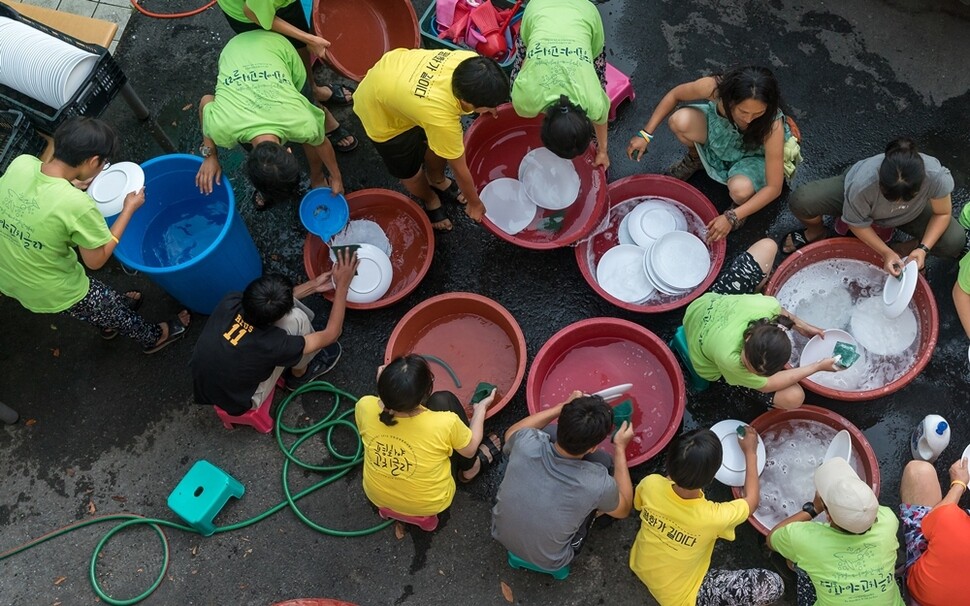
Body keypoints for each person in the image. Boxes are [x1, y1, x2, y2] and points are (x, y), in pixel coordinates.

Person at [0, 117, 190, 353]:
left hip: (8, 270)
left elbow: (40, 191)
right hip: (46, 285)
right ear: (93, 161)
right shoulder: (77, 205)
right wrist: (129, 208)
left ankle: (107, 323)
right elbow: (96, 260)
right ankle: (152, 337)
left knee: (88, 308)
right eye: (103, 162)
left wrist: (69, 184)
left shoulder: (21, 164)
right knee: (103, 302)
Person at [626, 66, 801, 242]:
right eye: (743, 112)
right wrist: (645, 134)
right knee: (679, 121)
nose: (749, 120)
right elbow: (675, 95)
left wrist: (732, 216)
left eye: (758, 113)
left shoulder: (772, 125)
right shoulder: (714, 88)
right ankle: (695, 160)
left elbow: (774, 188)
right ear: (729, 99)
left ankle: (741, 206)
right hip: (722, 136)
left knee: (740, 190)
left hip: (752, 156)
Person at [353, 49, 510, 231]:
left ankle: (437, 180)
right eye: (490, 106)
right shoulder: (441, 119)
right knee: (409, 171)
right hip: (378, 107)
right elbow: (459, 168)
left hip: (397, 73)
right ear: (466, 102)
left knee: (439, 144)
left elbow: (444, 144)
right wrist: (474, 203)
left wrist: (487, 105)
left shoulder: (472, 63)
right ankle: (430, 198)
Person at [630, 427, 785, 606]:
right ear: (713, 478)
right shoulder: (713, 517)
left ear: (669, 462)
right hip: (679, 598)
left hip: (640, 565)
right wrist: (751, 453)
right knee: (771, 585)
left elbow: (645, 500)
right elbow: (752, 502)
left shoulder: (650, 484)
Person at [190, 249, 356, 414]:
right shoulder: (272, 344)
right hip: (239, 400)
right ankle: (299, 375)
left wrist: (314, 285)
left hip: (207, 383)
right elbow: (332, 334)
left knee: (291, 320)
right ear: (274, 320)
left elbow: (268, 303)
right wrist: (343, 286)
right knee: (297, 320)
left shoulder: (231, 302)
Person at [195, 30, 346, 210]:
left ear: (290, 151)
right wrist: (209, 156)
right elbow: (206, 102)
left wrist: (334, 177)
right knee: (310, 132)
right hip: (235, 49)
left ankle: (317, 177)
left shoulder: (301, 120)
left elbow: (319, 142)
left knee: (308, 107)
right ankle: (272, 187)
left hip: (276, 47)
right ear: (289, 151)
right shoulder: (223, 128)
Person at [683, 238, 841, 409]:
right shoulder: (731, 359)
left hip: (703, 306)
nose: (747, 368)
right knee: (794, 397)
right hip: (702, 354)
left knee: (767, 245)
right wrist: (817, 367)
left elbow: (782, 313)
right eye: (748, 365)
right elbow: (768, 385)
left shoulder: (766, 305)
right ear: (748, 337)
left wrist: (802, 326)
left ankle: (757, 284)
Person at [491, 391, 634, 571]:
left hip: (500, 533)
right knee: (605, 462)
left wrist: (560, 407)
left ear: (560, 422)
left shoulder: (525, 442)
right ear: (593, 447)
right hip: (553, 559)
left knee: (547, 432)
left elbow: (511, 433)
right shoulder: (597, 482)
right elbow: (624, 509)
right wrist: (620, 448)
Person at [784, 138, 964, 275]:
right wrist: (885, 252)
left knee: (954, 241)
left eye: (907, 198)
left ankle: (906, 251)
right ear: (880, 180)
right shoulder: (863, 184)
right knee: (802, 200)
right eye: (891, 197)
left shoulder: (936, 177)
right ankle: (816, 231)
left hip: (912, 215)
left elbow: (942, 213)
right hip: (858, 204)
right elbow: (857, 224)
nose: (898, 203)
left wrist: (923, 249)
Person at [354, 355, 503, 517]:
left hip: (378, 498)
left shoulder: (364, 405)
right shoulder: (444, 424)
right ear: (427, 391)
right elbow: (471, 448)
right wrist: (480, 408)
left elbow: (381, 409)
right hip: (432, 503)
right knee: (443, 399)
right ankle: (470, 470)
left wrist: (390, 389)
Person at [215, 0, 358, 150]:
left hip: (268, 4)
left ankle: (313, 89)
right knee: (280, 62)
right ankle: (315, 109)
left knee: (299, 47)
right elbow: (252, 12)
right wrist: (309, 39)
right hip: (251, 14)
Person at [768, 457, 904, 606]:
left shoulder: (806, 540)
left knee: (793, 560)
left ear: (828, 516)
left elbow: (772, 539)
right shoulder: (888, 520)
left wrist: (814, 508)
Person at [509, 0, 611, 169]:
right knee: (526, 54)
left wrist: (602, 151)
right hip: (540, 8)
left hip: (582, 11)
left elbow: (601, 118)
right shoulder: (523, 100)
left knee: (594, 62)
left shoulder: (593, 101)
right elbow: (527, 63)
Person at [897, 458, 970, 605]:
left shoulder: (953, 524)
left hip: (921, 595)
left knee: (919, 472)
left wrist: (959, 484)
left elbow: (934, 520)